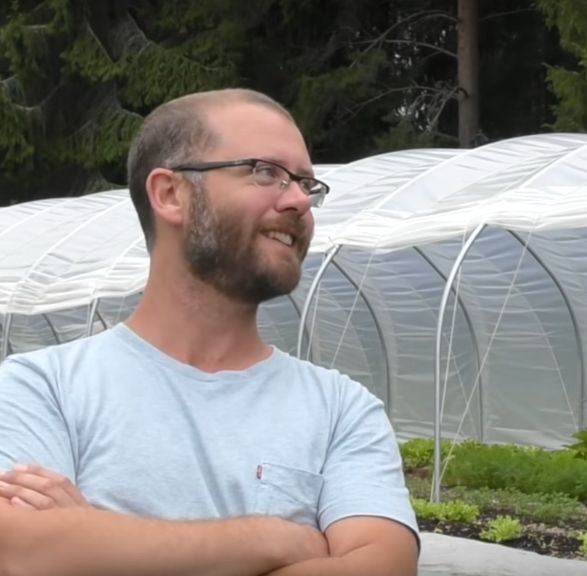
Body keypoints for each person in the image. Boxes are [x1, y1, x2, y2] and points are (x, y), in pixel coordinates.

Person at [0, 88, 419, 575]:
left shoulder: (341, 410)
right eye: (267, 173)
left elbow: (382, 567)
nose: (300, 201)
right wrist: (274, 538)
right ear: (170, 194)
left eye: (307, 183)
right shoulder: (40, 387)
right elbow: (20, 552)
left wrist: (93, 544)